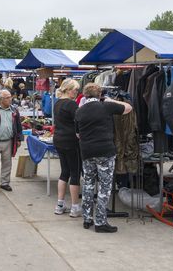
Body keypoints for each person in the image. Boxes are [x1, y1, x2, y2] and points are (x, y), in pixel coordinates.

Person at [75, 83, 132, 233]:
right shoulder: (106, 106)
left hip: (87, 151)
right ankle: (100, 222)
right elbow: (128, 108)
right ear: (99, 94)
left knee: (88, 184)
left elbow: (78, 134)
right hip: (105, 151)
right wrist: (109, 100)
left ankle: (87, 218)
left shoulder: (79, 111)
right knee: (104, 187)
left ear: (85, 95)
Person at [52, 79, 82, 217]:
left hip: (58, 139)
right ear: (68, 90)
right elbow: (79, 121)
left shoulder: (57, 103)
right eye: (75, 90)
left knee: (64, 172)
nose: (76, 93)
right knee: (75, 173)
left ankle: (60, 204)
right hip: (71, 141)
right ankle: (75, 206)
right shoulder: (71, 104)